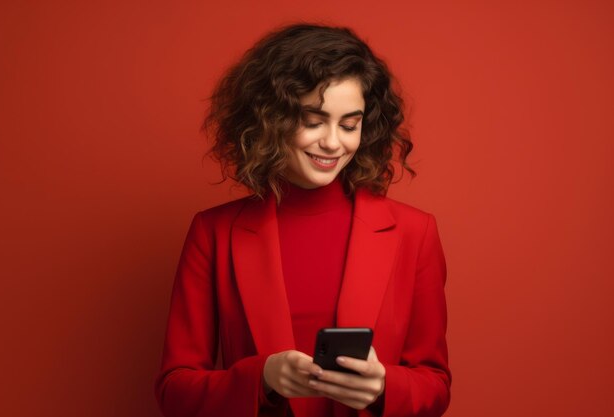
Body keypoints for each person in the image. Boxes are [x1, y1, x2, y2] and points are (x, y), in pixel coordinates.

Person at [155, 23, 451, 417]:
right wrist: (261, 378)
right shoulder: (214, 233)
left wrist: (384, 387)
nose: (332, 142)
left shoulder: (414, 232)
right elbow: (175, 390)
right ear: (270, 119)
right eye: (313, 121)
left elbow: (435, 383)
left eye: (350, 124)